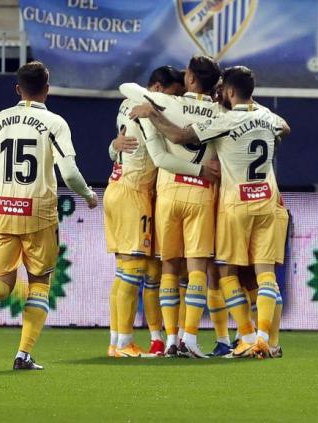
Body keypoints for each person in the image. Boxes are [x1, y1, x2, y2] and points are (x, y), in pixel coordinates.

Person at [129, 66, 290, 358]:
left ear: (228, 92)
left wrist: (150, 113)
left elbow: (179, 136)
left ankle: (245, 337)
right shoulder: (266, 116)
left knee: (224, 272)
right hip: (267, 200)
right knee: (265, 275)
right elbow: (285, 129)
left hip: (234, 202)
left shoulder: (224, 120)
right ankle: (267, 340)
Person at [0, 61, 97, 370]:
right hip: (38, 213)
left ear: (18, 89)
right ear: (47, 89)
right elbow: (70, 172)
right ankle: (23, 355)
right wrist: (88, 195)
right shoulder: (55, 123)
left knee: (4, 283)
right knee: (39, 282)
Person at [119, 55, 223, 358]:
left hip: (169, 191)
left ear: (190, 79)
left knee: (168, 266)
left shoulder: (167, 102)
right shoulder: (219, 112)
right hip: (202, 193)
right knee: (197, 269)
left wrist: (152, 109)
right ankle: (190, 337)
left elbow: (127, 87)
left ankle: (170, 339)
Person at [104, 66, 199, 357]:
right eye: (172, 94)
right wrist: (200, 170)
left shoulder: (126, 105)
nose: (175, 101)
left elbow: (120, 146)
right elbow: (159, 157)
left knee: (133, 271)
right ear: (157, 88)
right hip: (133, 194)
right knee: (132, 272)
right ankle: (122, 343)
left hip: (121, 187)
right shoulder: (145, 113)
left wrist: (111, 147)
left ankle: (122, 340)